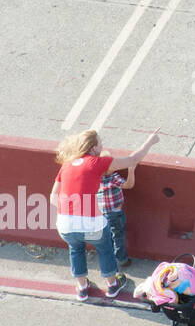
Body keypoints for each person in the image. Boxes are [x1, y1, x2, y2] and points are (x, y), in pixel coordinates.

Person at [50, 128, 158, 301]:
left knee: (76, 249)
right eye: (100, 142)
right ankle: (112, 285)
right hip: (91, 222)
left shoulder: (67, 164)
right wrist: (150, 141)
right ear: (93, 148)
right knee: (105, 249)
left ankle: (82, 288)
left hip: (65, 223)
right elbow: (133, 159)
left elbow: (53, 198)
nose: (102, 145)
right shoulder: (97, 162)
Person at [97, 165, 134, 269]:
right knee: (118, 236)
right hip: (115, 213)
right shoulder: (113, 178)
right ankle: (121, 259)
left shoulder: (95, 177)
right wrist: (131, 169)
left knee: (108, 237)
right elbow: (129, 184)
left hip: (102, 213)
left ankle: (109, 258)